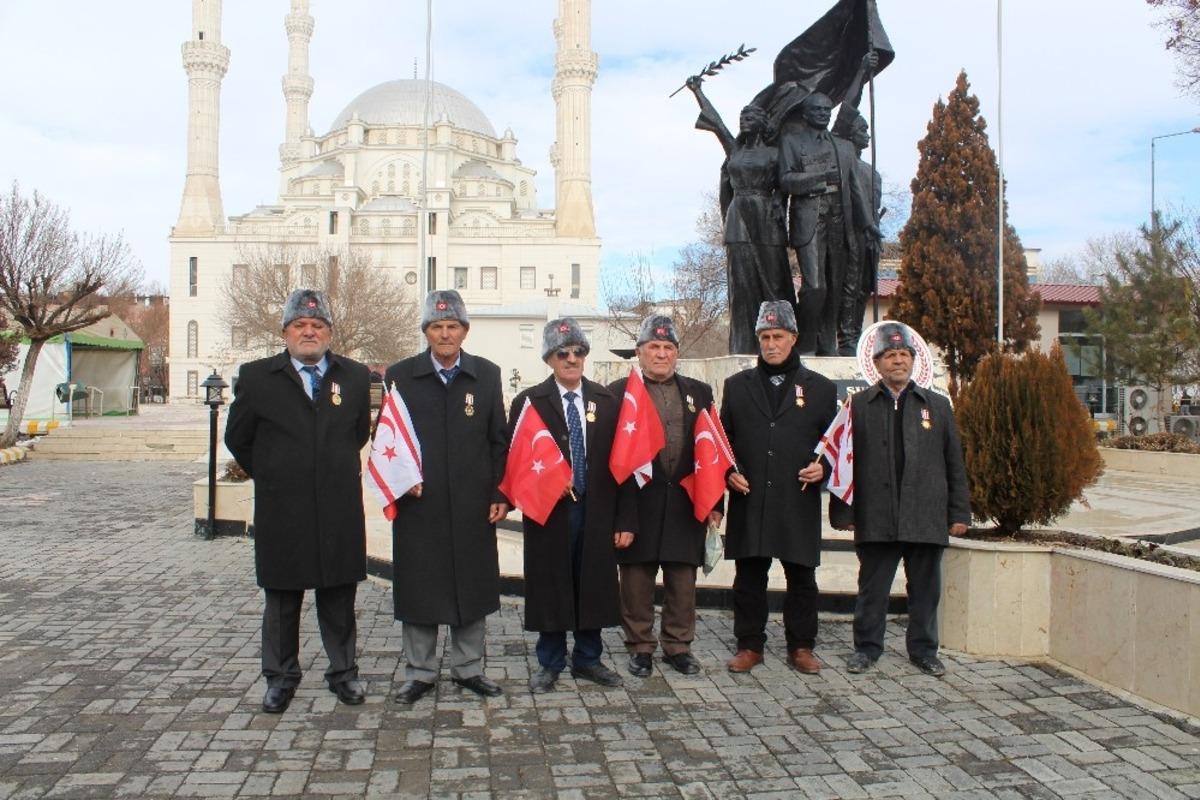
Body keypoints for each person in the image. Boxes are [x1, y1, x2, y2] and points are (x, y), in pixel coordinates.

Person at [224, 288, 371, 714]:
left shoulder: (356, 377)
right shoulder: (256, 377)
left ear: (329, 331)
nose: (309, 331)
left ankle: (344, 674)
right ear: (285, 331)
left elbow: (357, 433)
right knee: (283, 599)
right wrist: (274, 472)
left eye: (318, 325)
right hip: (282, 508)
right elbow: (238, 438)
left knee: (339, 597)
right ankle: (280, 677)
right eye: (300, 325)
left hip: (337, 506)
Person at [383, 290, 510, 704]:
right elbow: (387, 439)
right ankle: (419, 672)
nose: (444, 334)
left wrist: (499, 492)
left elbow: (498, 441)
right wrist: (401, 481)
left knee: (470, 585)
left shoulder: (487, 375)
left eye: (452, 326)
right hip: (419, 505)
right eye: (436, 326)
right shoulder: (400, 375)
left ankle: (468, 668)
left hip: (474, 505)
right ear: (425, 331)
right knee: (421, 587)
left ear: (464, 330)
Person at [830, 322, 971, 677]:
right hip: (876, 515)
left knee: (925, 590)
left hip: (925, 515)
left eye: (903, 355)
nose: (897, 361)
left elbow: (954, 462)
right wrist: (844, 513)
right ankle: (866, 648)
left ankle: (924, 650)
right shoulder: (858, 406)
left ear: (913, 360)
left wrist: (959, 512)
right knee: (872, 590)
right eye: (890, 355)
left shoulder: (937, 407)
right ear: (876, 363)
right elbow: (843, 463)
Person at [507, 319, 637, 693]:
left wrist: (626, 517)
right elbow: (514, 460)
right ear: (549, 358)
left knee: (593, 582)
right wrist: (544, 481)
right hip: (550, 512)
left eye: (578, 352)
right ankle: (549, 660)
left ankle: (588, 658)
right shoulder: (528, 402)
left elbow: (625, 465)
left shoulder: (606, 401)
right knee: (551, 583)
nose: (571, 359)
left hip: (597, 510)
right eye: (562, 353)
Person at [719, 301, 837, 674]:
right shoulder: (736, 387)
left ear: (794, 338)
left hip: (795, 500)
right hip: (750, 498)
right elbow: (723, 442)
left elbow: (835, 445)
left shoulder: (819, 389)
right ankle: (749, 645)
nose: (771, 344)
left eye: (778, 337)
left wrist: (825, 469)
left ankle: (801, 646)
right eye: (765, 337)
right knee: (749, 577)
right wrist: (727, 473)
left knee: (801, 577)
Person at [608, 315, 722, 677]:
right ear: (639, 353)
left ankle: (678, 646)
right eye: (653, 347)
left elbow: (714, 451)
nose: (660, 354)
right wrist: (620, 517)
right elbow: (612, 463)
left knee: (682, 582)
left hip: (685, 503)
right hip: (638, 504)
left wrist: (715, 504)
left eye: (667, 348)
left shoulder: (699, 392)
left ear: (676, 353)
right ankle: (640, 646)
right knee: (637, 582)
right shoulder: (615, 394)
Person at [686, 77, 793, 355]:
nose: (744, 121)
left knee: (774, 281)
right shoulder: (735, 150)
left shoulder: (775, 152)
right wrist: (698, 91)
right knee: (742, 284)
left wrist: (780, 203)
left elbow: (786, 184)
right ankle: (744, 345)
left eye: (750, 117)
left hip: (766, 217)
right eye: (742, 117)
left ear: (761, 122)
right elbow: (717, 123)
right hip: (738, 219)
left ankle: (782, 341)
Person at [778, 91, 862, 356]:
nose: (824, 114)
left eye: (827, 110)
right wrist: (820, 177)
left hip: (839, 219)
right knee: (815, 286)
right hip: (809, 217)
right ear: (806, 113)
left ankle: (828, 345)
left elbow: (856, 189)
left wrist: (868, 225)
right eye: (818, 110)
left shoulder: (842, 145)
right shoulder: (791, 141)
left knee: (835, 288)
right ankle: (804, 344)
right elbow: (786, 180)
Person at [831, 53, 883, 356]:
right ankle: (845, 339)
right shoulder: (842, 154)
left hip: (869, 239)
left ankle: (857, 334)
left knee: (863, 288)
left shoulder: (872, 172)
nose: (866, 133)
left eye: (867, 129)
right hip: (845, 234)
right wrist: (862, 71)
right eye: (861, 129)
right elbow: (849, 108)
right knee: (846, 288)